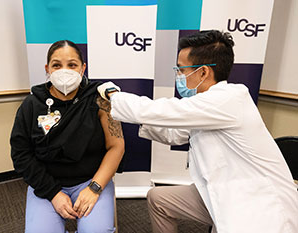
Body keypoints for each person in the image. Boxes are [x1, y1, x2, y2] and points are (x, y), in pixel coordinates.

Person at [97, 30, 298, 233]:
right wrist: (140, 121)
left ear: (203, 72)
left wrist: (113, 95)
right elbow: (175, 134)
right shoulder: (205, 106)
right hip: (223, 191)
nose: (179, 76)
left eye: (182, 70)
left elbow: (158, 110)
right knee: (159, 199)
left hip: (259, 205)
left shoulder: (228, 100)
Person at [10, 40, 124, 233]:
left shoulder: (99, 100)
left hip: (90, 180)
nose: (65, 71)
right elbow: (21, 155)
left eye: (72, 65)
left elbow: (116, 146)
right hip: (46, 184)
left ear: (83, 68)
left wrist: (94, 188)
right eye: (56, 65)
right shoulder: (31, 105)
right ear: (47, 69)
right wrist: (53, 193)